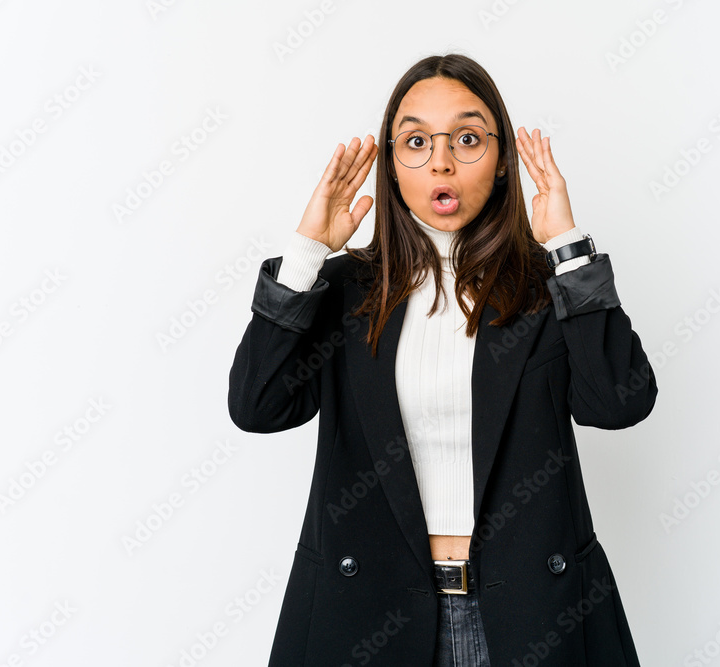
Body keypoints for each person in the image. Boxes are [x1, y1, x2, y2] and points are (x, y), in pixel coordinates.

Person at [228, 53, 658, 667]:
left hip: (529, 615)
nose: (441, 161)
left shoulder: (546, 285)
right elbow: (257, 406)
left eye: (467, 138)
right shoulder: (345, 291)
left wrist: (567, 247)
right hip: (371, 616)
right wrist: (306, 254)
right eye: (416, 141)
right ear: (391, 165)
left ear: (503, 159)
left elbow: (619, 403)